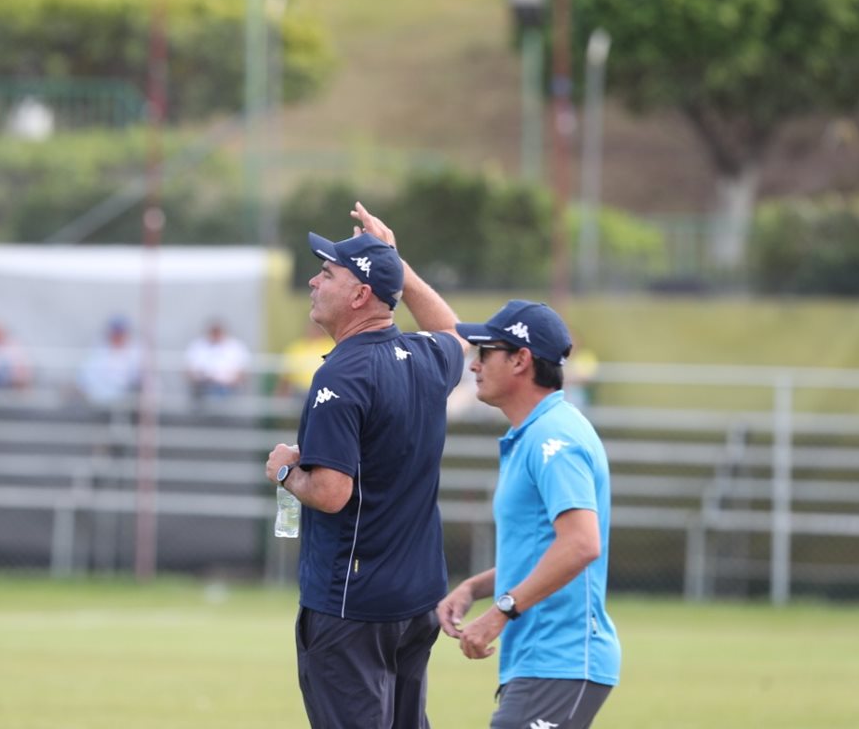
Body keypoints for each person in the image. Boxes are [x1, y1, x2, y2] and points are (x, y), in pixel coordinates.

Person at [355, 202, 620, 729]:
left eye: (487, 353)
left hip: (563, 662)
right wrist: (476, 588)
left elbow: (581, 545)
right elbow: (551, 549)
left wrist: (499, 610)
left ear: (520, 361)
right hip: (542, 663)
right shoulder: (534, 433)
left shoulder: (554, 440)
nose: (473, 363)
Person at [263, 208, 466, 729]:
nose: (313, 279)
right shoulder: (424, 357)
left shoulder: (343, 376)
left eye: (327, 272)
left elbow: (331, 493)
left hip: (353, 604)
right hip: (416, 598)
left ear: (358, 296)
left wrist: (286, 473)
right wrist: (399, 264)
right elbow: (455, 335)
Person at [74, 316, 143, 407]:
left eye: (120, 333)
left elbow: (139, 377)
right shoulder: (98, 351)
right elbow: (85, 376)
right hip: (99, 398)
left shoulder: (137, 351)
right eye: (115, 333)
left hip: (128, 399)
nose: (117, 336)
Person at [184, 318, 251, 401]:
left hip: (228, 388)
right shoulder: (197, 346)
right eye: (213, 332)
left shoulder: (236, 347)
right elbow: (189, 371)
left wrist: (226, 381)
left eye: (218, 332)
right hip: (203, 386)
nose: (216, 335)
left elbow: (242, 373)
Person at [276, 319, 334, 397]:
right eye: (311, 328)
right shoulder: (296, 347)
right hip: (299, 391)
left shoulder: (330, 345)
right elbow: (286, 377)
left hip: (324, 388)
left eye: (316, 328)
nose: (313, 331)